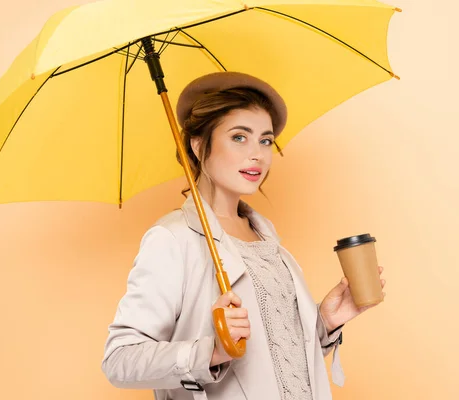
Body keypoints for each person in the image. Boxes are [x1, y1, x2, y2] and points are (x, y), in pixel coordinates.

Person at [101, 72, 386, 400]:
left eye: (265, 140)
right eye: (239, 137)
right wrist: (211, 352)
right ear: (197, 145)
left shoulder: (266, 237)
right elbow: (119, 360)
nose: (258, 154)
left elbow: (277, 361)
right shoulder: (172, 239)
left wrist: (325, 320)